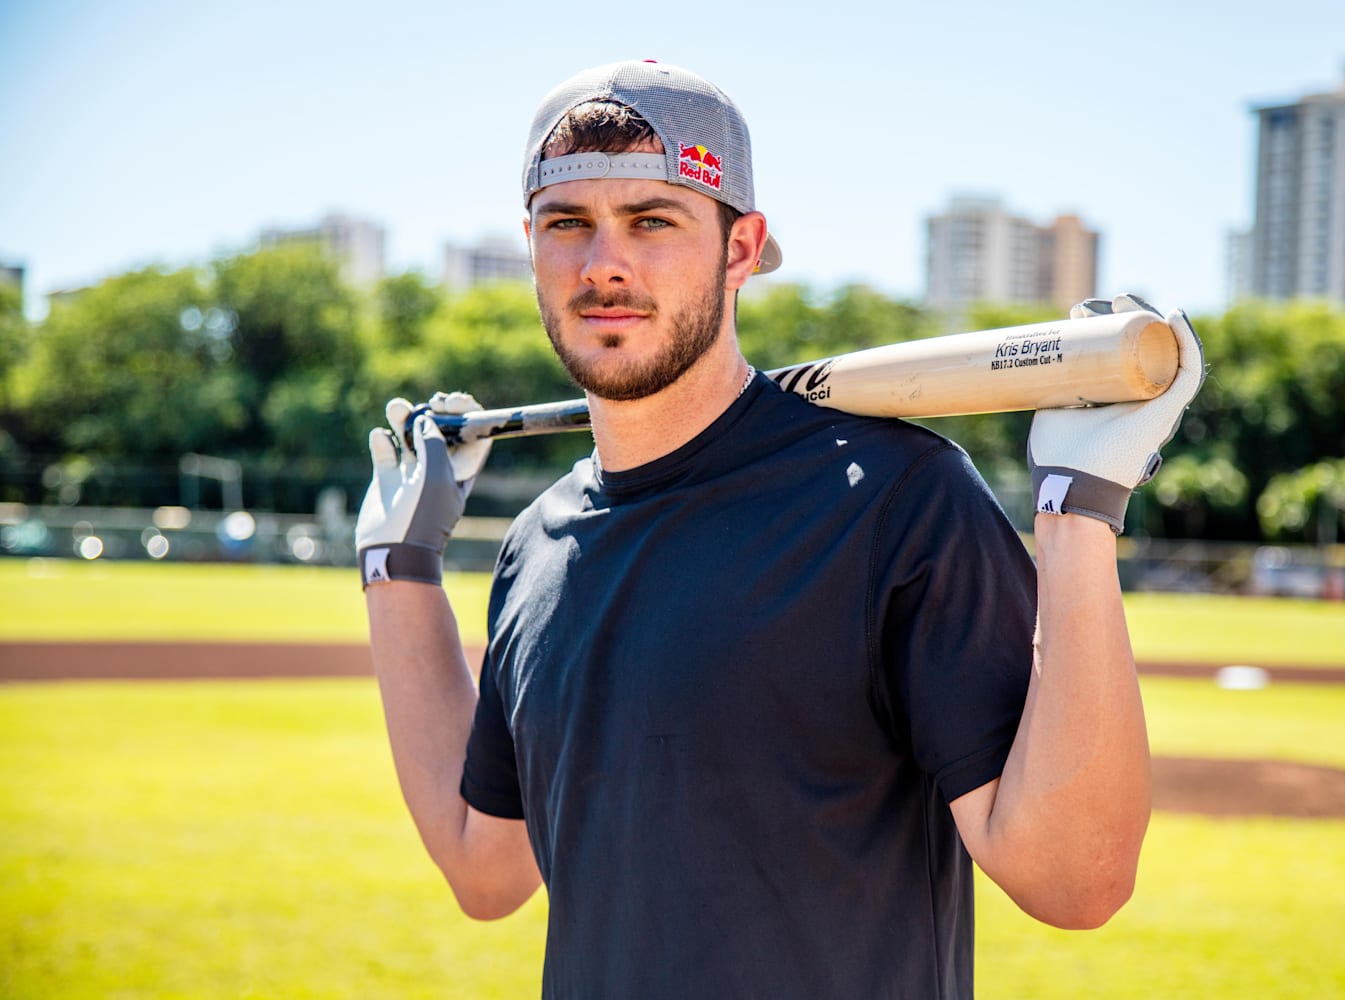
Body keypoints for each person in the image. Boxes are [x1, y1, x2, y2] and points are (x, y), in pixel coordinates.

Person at [354, 59, 1205, 998]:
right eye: (569, 224)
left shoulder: (895, 499)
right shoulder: (540, 546)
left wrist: (1078, 508)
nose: (603, 264)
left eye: (652, 220)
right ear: (531, 244)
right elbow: (485, 869)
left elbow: (1075, 879)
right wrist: (398, 567)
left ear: (741, 249)